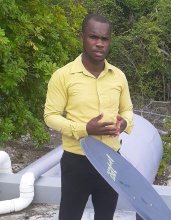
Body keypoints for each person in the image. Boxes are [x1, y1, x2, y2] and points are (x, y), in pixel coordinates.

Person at [44, 14, 134, 220]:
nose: (99, 43)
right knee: (69, 216)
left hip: (111, 160)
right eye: (94, 37)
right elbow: (50, 116)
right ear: (82, 37)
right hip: (77, 161)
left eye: (105, 39)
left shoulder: (119, 76)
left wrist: (124, 123)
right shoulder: (63, 76)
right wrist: (85, 129)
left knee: (105, 216)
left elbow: (128, 110)